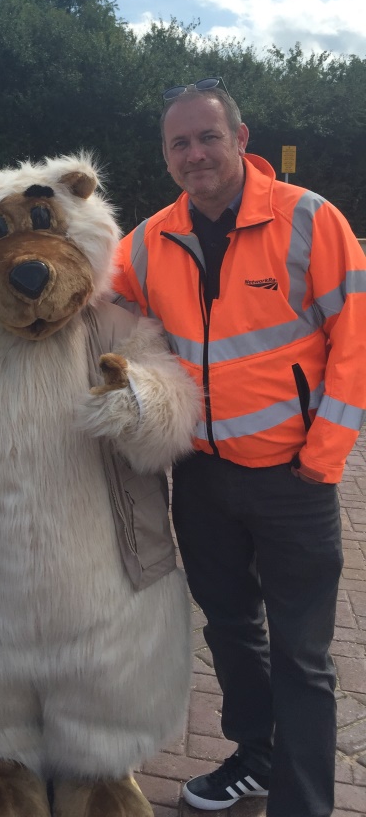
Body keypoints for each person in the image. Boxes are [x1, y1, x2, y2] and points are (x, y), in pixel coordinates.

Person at [113, 77, 366, 817]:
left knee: (302, 657)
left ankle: (304, 804)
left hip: (294, 480)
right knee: (229, 630)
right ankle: (255, 756)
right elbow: (85, 294)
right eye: (179, 143)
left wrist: (322, 459)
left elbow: (353, 343)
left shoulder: (309, 219)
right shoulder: (151, 239)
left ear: (242, 140)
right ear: (166, 155)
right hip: (202, 479)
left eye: (208, 137)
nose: (195, 154)